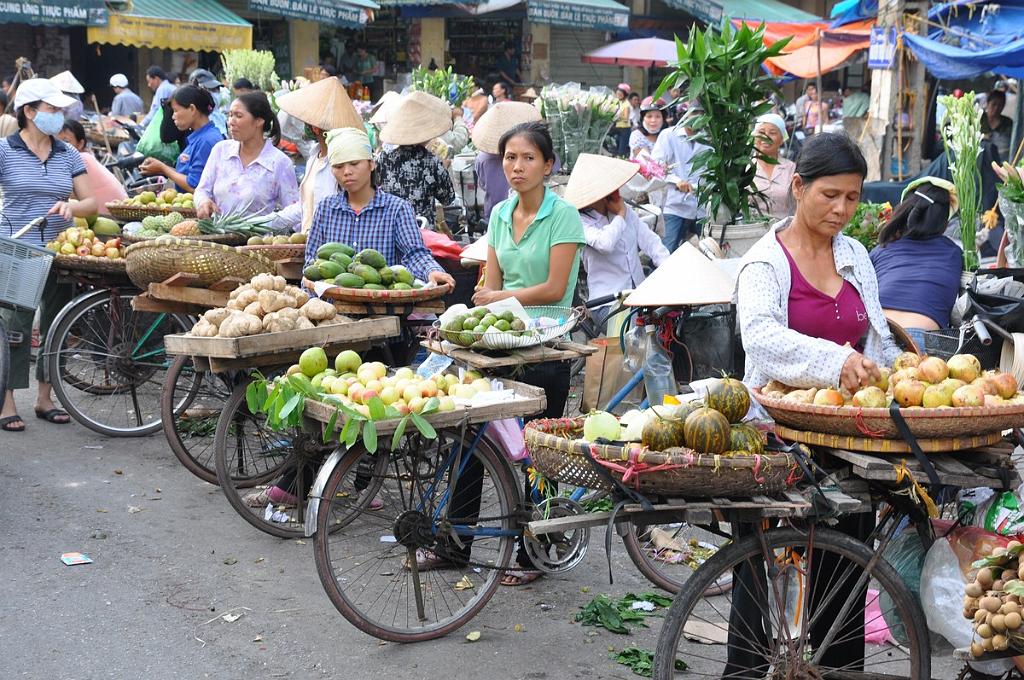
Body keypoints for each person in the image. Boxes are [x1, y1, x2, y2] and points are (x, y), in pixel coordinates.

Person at [733, 133, 900, 676]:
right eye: (830, 195)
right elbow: (759, 338)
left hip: (849, 437)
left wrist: (898, 377)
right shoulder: (764, 263)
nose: (842, 209)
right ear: (799, 187)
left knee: (845, 573)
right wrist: (834, 362)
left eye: (852, 197)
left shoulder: (854, 255)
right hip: (775, 437)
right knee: (757, 573)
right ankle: (744, 670)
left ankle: (838, 669)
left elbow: (875, 336)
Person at [466, 121, 584, 586]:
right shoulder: (499, 213)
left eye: (528, 158)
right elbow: (491, 284)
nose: (517, 167)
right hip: (502, 341)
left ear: (548, 165)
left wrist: (500, 301)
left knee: (540, 449)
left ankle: (533, 551)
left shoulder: (564, 216)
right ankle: (455, 545)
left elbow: (557, 288)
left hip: (547, 343)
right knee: (470, 437)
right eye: (510, 158)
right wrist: (488, 301)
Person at [0, 78, 97, 433]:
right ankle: (7, 402)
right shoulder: (4, 150)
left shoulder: (67, 153)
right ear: (29, 112)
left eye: (59, 110)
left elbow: (91, 201)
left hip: (60, 252)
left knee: (56, 323)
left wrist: (72, 204)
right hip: (19, 249)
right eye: (52, 109)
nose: (58, 116)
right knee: (16, 328)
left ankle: (45, 398)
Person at [304, 127, 456, 288]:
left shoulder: (398, 209)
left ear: (371, 164)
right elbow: (311, 263)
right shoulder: (325, 209)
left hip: (383, 307)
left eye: (354, 163)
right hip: (333, 309)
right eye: (338, 166)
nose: (347, 172)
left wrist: (431, 271)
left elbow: (414, 254)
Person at [567, 153, 670, 332]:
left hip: (637, 297)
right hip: (607, 304)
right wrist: (620, 215)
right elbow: (605, 244)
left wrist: (671, 271)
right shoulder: (580, 222)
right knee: (635, 338)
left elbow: (652, 243)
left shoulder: (626, 212)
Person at [870, 177, 962, 348]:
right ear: (943, 223)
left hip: (876, 334)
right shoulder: (953, 253)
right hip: (921, 341)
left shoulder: (881, 250)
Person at [269, 75, 365, 233]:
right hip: (310, 247)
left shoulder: (345, 163)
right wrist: (262, 222)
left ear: (314, 128)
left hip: (334, 250)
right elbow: (306, 207)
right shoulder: (315, 155)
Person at [195, 92, 299, 219]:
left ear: (259, 121)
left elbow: (294, 210)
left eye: (238, 116)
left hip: (257, 238)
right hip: (215, 236)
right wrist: (203, 202)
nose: (231, 122)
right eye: (230, 115)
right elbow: (202, 190)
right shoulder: (221, 150)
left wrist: (268, 223)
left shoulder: (279, 163)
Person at [375, 91, 456, 224]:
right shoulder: (432, 161)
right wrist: (444, 167)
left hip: (389, 227)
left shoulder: (383, 159)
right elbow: (448, 198)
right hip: (421, 230)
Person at [139, 85, 222, 193]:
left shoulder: (207, 141)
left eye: (176, 111)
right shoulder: (198, 137)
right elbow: (188, 174)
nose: (173, 116)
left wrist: (163, 168)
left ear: (192, 109)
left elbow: (195, 186)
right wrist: (160, 167)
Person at [653, 101, 710, 252]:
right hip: (674, 204)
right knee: (665, 252)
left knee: (711, 252)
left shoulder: (710, 139)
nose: (697, 118)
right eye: (693, 114)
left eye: (701, 114)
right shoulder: (669, 135)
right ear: (684, 115)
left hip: (701, 204)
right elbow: (656, 166)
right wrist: (677, 181)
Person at [471, 101, 543, 220]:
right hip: (526, 213)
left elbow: (483, 185)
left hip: (495, 212)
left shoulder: (482, 159)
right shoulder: (533, 152)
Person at [59, 120, 128, 215]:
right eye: (57, 141)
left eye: (66, 141)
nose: (60, 146)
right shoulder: (87, 157)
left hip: (109, 215)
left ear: (80, 144)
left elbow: (69, 196)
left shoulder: (81, 159)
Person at [751, 113, 796, 220]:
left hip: (785, 231)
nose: (766, 137)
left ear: (782, 139)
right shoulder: (745, 168)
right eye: (761, 132)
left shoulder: (791, 168)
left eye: (772, 133)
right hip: (751, 231)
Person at [983, 89, 1014, 162]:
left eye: (1000, 105)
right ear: (988, 103)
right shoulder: (979, 119)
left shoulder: (1008, 123)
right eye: (994, 104)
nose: (996, 108)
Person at [613, 83, 633, 158]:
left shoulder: (626, 105)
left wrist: (618, 116)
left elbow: (626, 119)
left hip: (624, 129)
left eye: (620, 94)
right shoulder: (620, 103)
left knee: (621, 151)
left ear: (625, 95)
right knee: (617, 149)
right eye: (617, 93)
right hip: (618, 128)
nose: (618, 95)